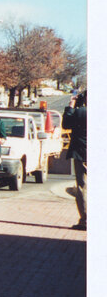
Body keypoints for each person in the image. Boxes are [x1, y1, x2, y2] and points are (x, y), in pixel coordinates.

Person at [63, 89, 86, 230]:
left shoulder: (80, 112)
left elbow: (66, 124)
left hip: (82, 153)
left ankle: (85, 220)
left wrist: (71, 106)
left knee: (82, 186)